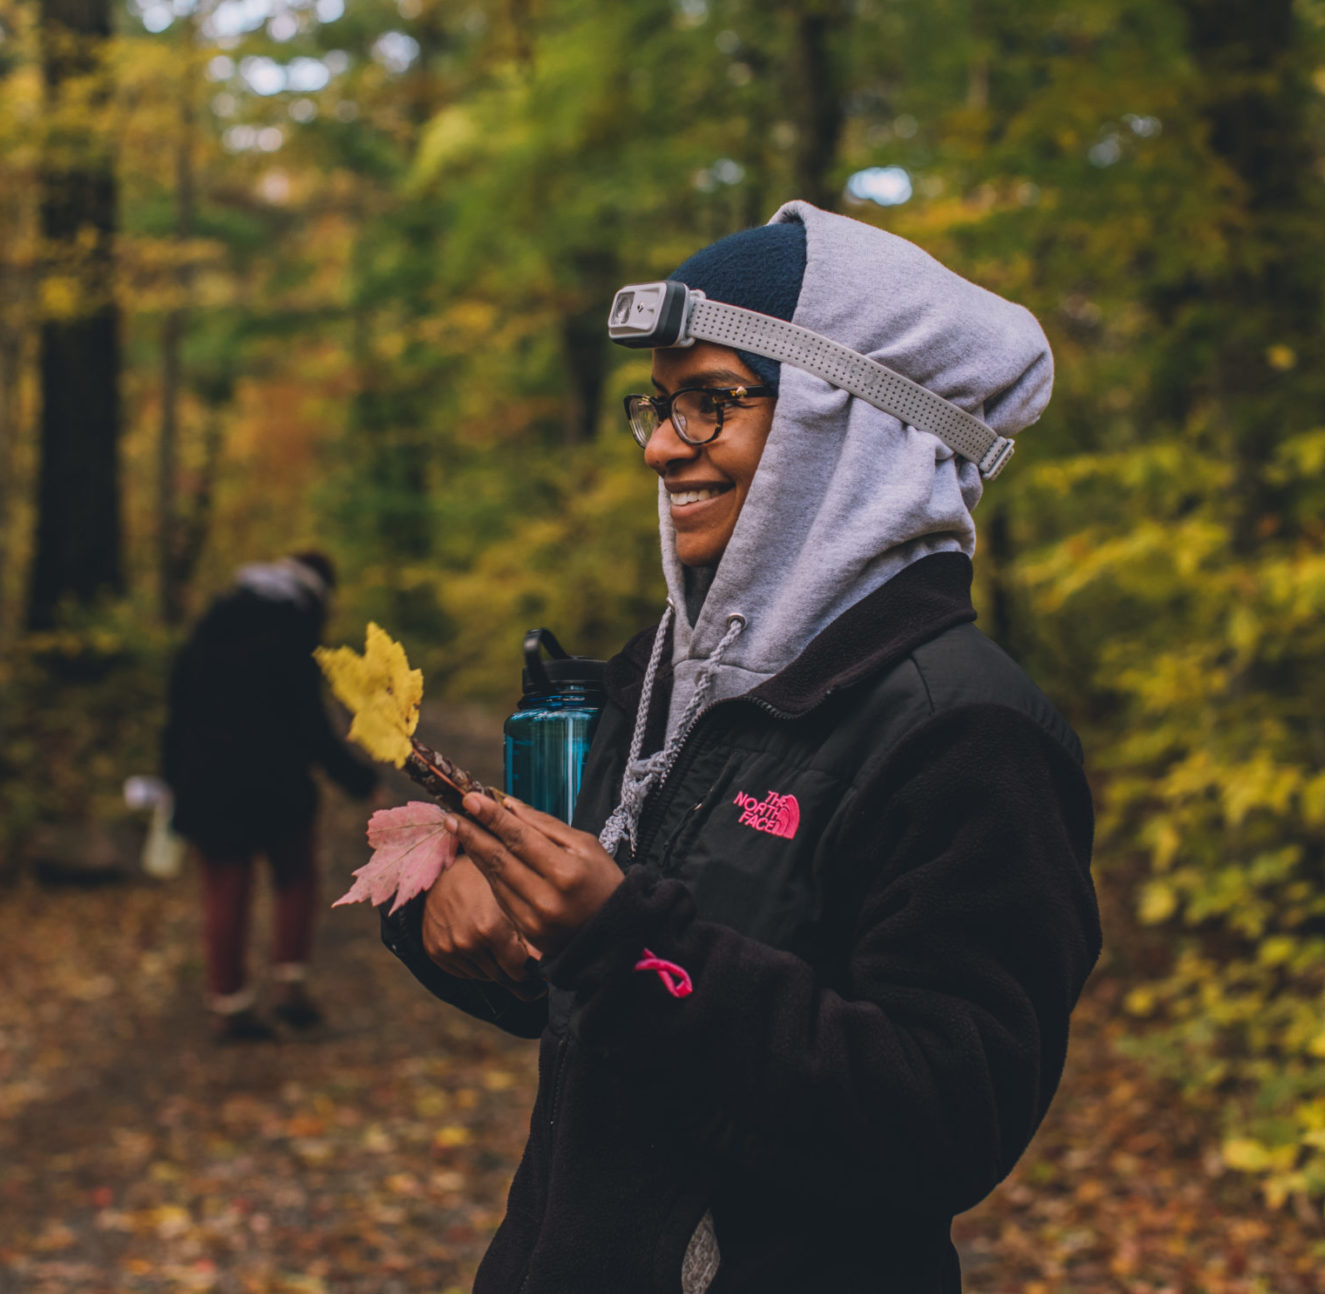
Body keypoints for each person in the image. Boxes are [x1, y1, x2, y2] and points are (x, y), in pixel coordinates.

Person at [380, 203, 1101, 1292]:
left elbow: (948, 1120)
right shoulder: (671, 677)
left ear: (847, 427)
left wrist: (626, 944)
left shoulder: (968, 730)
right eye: (660, 406)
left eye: (713, 402)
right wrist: (435, 892)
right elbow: (576, 994)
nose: (663, 445)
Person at [163, 551, 376, 1041]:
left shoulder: (212, 622)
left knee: (224, 890)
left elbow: (176, 711)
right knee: (295, 877)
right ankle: (291, 988)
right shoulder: (293, 628)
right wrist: (356, 779)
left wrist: (170, 781)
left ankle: (228, 1004)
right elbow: (310, 723)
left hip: (205, 784)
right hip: (275, 785)